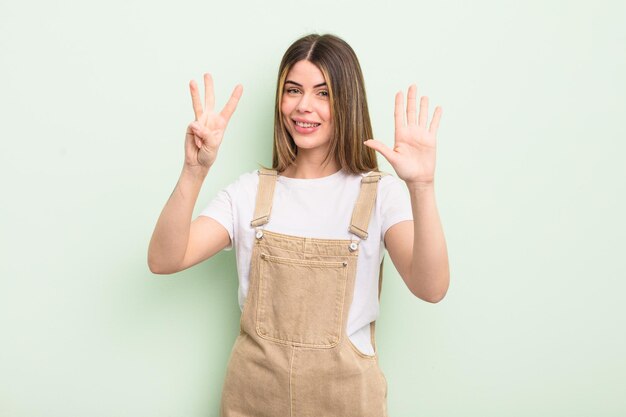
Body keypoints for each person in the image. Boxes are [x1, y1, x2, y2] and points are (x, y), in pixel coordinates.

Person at [148, 33, 449, 417]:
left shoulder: (381, 195)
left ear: (348, 100)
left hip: (348, 402)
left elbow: (432, 287)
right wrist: (194, 171)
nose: (304, 106)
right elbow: (164, 259)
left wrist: (422, 187)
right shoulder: (249, 192)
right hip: (253, 399)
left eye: (323, 93)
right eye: (293, 90)